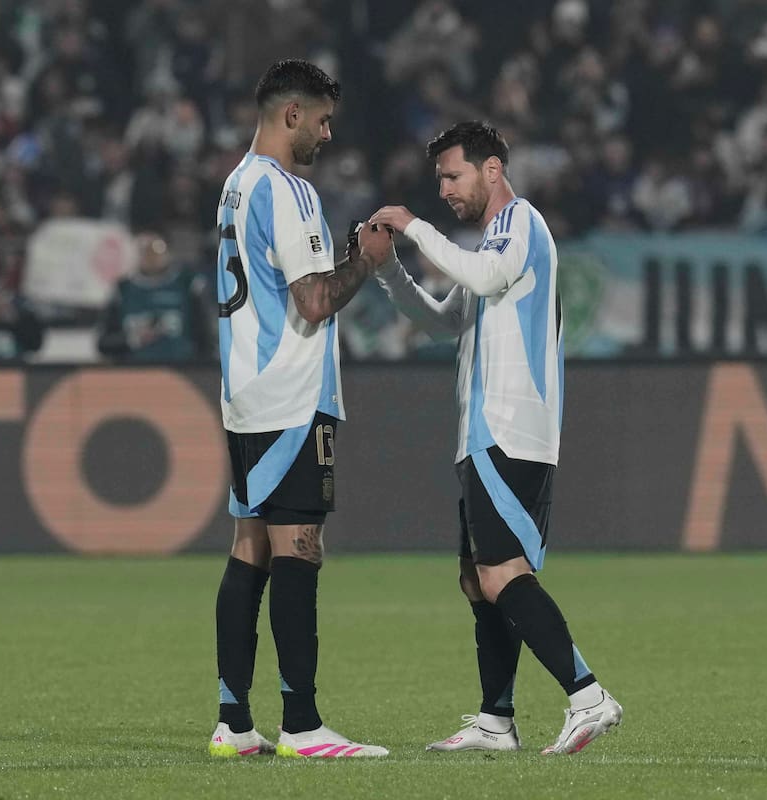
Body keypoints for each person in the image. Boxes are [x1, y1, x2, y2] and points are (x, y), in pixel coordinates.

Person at [368, 121, 623, 756]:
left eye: (452, 176)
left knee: (503, 573)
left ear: (491, 169)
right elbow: (444, 321)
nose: (444, 190)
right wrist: (389, 272)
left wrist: (412, 225)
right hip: (484, 432)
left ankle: (588, 695)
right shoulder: (490, 246)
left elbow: (481, 279)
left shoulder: (520, 223)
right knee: (477, 577)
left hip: (510, 426)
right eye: (439, 181)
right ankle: (496, 720)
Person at [208, 58, 392, 760]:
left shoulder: (235, 184)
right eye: (321, 119)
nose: (328, 132)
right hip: (290, 393)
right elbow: (314, 301)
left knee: (249, 548)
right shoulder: (289, 190)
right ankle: (303, 724)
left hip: (245, 391)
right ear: (292, 115)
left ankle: (233, 721)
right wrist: (366, 259)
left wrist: (340, 260)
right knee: (299, 549)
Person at [96, 231, 214, 362]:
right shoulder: (123, 289)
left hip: (181, 366)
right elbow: (104, 343)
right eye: (144, 249)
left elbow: (207, 336)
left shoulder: (187, 283)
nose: (150, 255)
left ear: (168, 252)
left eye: (156, 249)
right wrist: (132, 339)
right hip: (135, 368)